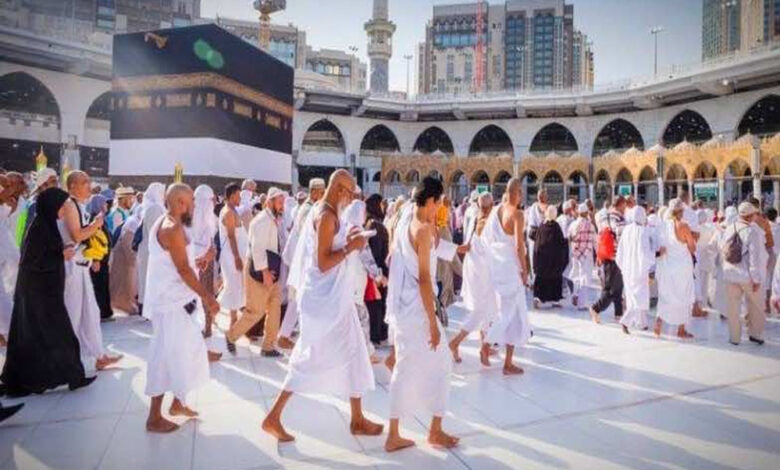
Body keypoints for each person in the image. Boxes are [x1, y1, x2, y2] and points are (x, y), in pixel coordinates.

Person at [262, 170, 381, 443]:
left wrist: (350, 237)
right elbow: (324, 263)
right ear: (339, 189)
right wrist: (351, 247)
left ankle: (357, 419)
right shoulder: (326, 215)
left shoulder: (328, 212)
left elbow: (330, 246)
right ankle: (273, 417)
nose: (351, 198)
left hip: (336, 299)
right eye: (349, 193)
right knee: (308, 359)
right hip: (325, 302)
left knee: (355, 352)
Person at [385, 176, 457, 452]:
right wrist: (432, 323)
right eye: (438, 203)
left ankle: (399, 432)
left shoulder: (405, 220)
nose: (439, 208)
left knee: (407, 367)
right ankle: (431, 431)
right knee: (440, 363)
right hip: (418, 310)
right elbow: (425, 279)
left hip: (404, 307)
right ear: (431, 201)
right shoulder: (423, 231)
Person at [0, 188, 95, 397]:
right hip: (39, 295)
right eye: (61, 206)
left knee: (43, 337)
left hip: (44, 293)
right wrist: (61, 254)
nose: (64, 210)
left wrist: (61, 251)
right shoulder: (40, 229)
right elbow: (34, 262)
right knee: (56, 335)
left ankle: (69, 376)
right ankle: (71, 376)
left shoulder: (46, 226)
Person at [144, 184, 219, 433]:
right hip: (170, 305)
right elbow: (183, 270)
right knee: (165, 357)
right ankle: (154, 417)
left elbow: (180, 262)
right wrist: (208, 297)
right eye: (191, 202)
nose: (195, 207)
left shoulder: (172, 224)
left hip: (177, 302)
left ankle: (178, 402)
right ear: (179, 203)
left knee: (186, 353)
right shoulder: (171, 228)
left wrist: (199, 261)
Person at [60, 171, 121, 371]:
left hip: (82, 265)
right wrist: (96, 225)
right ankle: (66, 360)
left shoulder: (80, 205)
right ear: (72, 186)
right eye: (84, 182)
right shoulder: (69, 205)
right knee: (73, 315)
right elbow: (77, 236)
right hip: (72, 268)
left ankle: (99, 355)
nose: (89, 185)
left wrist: (94, 255)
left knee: (91, 313)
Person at [226, 187, 285, 357]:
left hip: (271, 270)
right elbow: (257, 249)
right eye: (279, 202)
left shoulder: (272, 219)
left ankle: (268, 346)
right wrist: (265, 273)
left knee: (275, 306)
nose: (282, 206)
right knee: (255, 311)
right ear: (270, 202)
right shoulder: (262, 221)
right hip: (259, 271)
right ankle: (231, 336)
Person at [483, 178, 531, 375]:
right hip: (511, 268)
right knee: (508, 313)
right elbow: (519, 246)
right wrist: (525, 270)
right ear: (517, 192)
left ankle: (508, 363)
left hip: (499, 266)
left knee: (515, 315)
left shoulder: (497, 210)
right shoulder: (518, 214)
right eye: (521, 192)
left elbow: (488, 238)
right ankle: (486, 343)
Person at [449, 192, 497, 365]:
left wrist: (448, 248)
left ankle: (484, 345)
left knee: (486, 309)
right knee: (481, 310)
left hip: (475, 270)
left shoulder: (476, 219)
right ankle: (455, 342)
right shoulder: (490, 223)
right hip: (483, 273)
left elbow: (467, 246)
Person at [277, 178, 326, 348]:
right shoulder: (308, 210)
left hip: (302, 259)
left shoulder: (309, 208)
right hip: (301, 259)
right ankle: (284, 335)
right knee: (297, 297)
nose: (323, 195)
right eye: (321, 192)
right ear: (314, 192)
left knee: (298, 298)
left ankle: (287, 334)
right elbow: (311, 237)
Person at [720, 202, 765, 345]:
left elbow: (722, 249)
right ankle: (755, 334)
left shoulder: (729, 228)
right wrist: (756, 279)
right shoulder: (752, 232)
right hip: (746, 275)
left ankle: (734, 338)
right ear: (751, 216)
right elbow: (754, 258)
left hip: (730, 272)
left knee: (733, 307)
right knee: (755, 305)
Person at [654, 199, 696, 339]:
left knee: (666, 295)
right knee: (683, 295)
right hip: (682, 267)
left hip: (667, 266)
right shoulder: (683, 225)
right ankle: (681, 330)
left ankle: (659, 320)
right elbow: (692, 247)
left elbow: (660, 246)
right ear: (681, 211)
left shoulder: (663, 225)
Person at [191, 185, 221, 362]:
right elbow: (192, 245)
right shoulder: (191, 219)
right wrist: (205, 255)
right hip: (198, 264)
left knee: (207, 293)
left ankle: (208, 327)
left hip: (206, 262)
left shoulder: (209, 217)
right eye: (211, 200)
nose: (213, 203)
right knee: (200, 296)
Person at [616, 206, 654, 334]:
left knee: (632, 296)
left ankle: (642, 323)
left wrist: (622, 266)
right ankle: (626, 320)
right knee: (639, 297)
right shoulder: (643, 232)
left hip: (627, 269)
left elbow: (620, 250)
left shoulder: (626, 230)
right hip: (639, 269)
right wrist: (651, 265)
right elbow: (645, 253)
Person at [589, 196, 626, 323]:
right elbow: (622, 239)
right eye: (624, 206)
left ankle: (618, 313)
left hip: (605, 255)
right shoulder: (619, 218)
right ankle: (596, 308)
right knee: (610, 288)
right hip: (616, 256)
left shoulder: (603, 216)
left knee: (618, 285)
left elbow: (601, 235)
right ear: (621, 205)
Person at [0, 172, 26, 344]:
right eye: (7, 186)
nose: (11, 189)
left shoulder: (14, 204)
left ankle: (11, 333)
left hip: (10, 253)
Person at [218, 183, 248, 328]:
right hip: (231, 255)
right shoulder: (228, 212)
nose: (240, 198)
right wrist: (236, 257)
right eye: (238, 196)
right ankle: (232, 321)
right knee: (232, 286)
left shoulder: (233, 210)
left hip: (237, 254)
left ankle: (234, 320)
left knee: (234, 286)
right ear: (231, 196)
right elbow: (231, 236)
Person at [364, 194, 390, 345]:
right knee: (376, 303)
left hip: (377, 268)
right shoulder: (375, 225)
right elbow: (376, 252)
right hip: (378, 268)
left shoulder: (373, 224)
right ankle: (377, 334)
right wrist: (378, 273)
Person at [138, 182, 166, 314]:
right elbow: (156, 233)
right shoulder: (155, 209)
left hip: (150, 251)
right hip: (152, 252)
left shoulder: (155, 208)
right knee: (150, 281)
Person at [533, 205, 569, 306]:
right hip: (554, 260)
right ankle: (555, 299)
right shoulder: (556, 227)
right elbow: (560, 243)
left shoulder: (542, 226)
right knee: (555, 279)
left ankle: (538, 298)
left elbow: (537, 241)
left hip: (542, 259)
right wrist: (567, 241)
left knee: (541, 279)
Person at [86, 194, 113, 320]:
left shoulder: (101, 219)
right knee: (98, 286)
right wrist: (95, 259)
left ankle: (105, 312)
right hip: (98, 259)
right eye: (104, 203)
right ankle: (100, 313)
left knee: (102, 285)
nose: (106, 205)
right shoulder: (94, 220)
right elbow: (92, 240)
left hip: (103, 259)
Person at [567, 203, 597, 309]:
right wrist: (598, 254)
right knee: (585, 277)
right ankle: (581, 303)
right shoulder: (590, 225)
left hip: (575, 253)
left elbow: (568, 237)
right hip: (587, 254)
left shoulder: (573, 224)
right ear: (586, 213)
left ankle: (575, 294)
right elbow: (595, 241)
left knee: (576, 275)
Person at [109, 210, 139, 315]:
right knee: (122, 282)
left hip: (123, 257)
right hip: (124, 258)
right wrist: (132, 260)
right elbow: (127, 243)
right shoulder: (133, 222)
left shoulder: (133, 220)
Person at [525, 188, 549, 277]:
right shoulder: (533, 208)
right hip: (534, 238)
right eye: (540, 196)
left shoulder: (548, 208)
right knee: (534, 260)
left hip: (544, 239)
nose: (542, 198)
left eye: (543, 196)